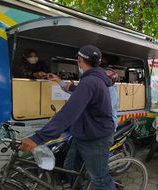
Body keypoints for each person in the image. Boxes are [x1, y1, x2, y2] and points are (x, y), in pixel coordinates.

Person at [20, 45, 116, 190]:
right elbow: (75, 91)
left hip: (96, 138)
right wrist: (60, 81)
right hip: (83, 134)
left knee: (100, 179)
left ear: (79, 60)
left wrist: (38, 138)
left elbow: (68, 113)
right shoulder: (92, 79)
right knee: (71, 168)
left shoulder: (90, 82)